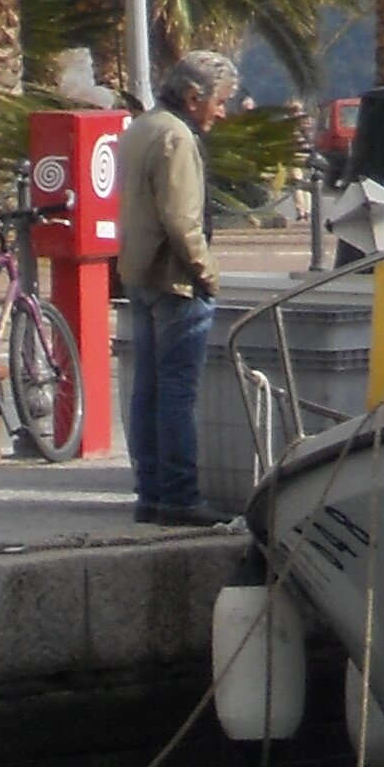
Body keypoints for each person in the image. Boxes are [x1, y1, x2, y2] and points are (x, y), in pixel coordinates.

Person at [115, 50, 239, 528]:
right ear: (193, 98)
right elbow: (182, 220)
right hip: (175, 281)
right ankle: (179, 496)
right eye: (220, 101)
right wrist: (208, 274)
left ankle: (149, 492)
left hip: (139, 274)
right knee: (177, 393)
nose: (222, 112)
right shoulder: (176, 137)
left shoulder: (142, 126)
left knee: (147, 388)